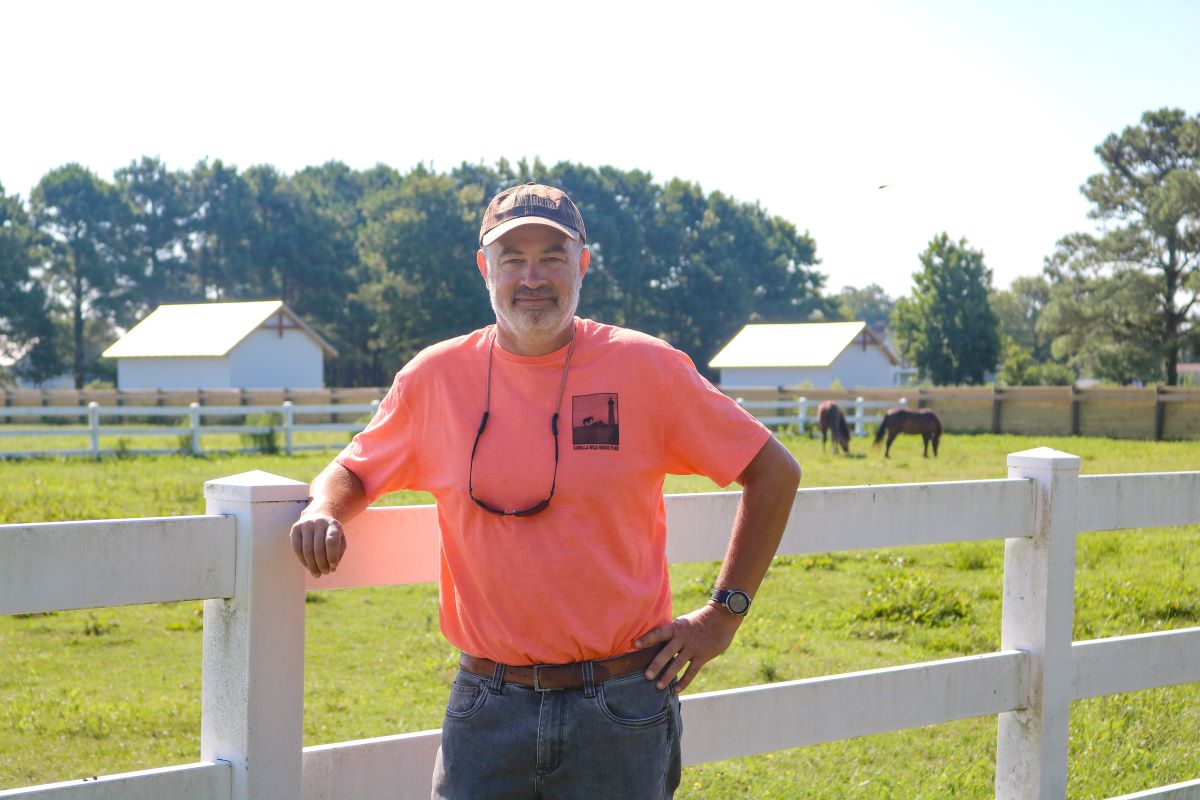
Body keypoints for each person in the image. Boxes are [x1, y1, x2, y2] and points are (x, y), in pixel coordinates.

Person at [290, 183, 801, 799]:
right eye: (513, 258)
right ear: (486, 268)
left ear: (582, 264)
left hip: (622, 705)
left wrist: (723, 617)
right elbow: (354, 469)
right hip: (487, 709)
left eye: (552, 256)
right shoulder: (434, 378)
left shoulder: (647, 368)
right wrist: (324, 508)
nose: (532, 277)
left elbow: (774, 470)